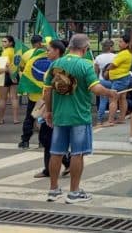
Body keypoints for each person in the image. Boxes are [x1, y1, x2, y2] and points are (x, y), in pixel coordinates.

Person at [43, 33, 118, 204]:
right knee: (78, 154)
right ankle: (74, 192)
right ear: (85, 49)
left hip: (60, 115)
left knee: (56, 152)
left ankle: (53, 190)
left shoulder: (55, 64)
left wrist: (49, 111)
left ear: (69, 47)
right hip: (79, 116)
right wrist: (110, 93)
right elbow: (96, 89)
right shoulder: (85, 65)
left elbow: (47, 91)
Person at [33, 40, 71, 179]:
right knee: (47, 137)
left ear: (57, 51)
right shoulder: (53, 66)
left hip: (54, 107)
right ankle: (58, 164)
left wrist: (49, 109)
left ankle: (66, 161)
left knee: (47, 136)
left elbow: (58, 89)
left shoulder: (59, 67)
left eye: (49, 50)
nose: (46, 52)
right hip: (48, 104)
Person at [18, 35, 47, 149]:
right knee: (43, 118)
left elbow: (22, 69)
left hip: (33, 93)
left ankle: (25, 141)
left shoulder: (27, 54)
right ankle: (42, 141)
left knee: (30, 117)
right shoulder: (49, 54)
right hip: (45, 94)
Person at [102, 32, 132, 127]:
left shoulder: (123, 53)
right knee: (122, 98)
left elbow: (113, 64)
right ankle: (122, 118)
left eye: (121, 42)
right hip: (123, 78)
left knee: (113, 99)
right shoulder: (128, 53)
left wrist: (107, 70)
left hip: (119, 79)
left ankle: (110, 120)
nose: (119, 44)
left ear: (127, 44)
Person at [0, 35, 21, 125]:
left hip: (6, 75)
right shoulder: (16, 51)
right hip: (15, 74)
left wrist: (11, 76)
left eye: (5, 41)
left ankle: (0, 119)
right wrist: (14, 76)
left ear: (10, 43)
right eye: (2, 41)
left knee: (3, 99)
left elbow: (7, 65)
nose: (3, 43)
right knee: (14, 98)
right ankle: (15, 119)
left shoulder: (6, 52)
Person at [93, 38, 116, 125]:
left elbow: (96, 71)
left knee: (103, 100)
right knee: (113, 100)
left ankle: (99, 119)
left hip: (102, 80)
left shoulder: (98, 58)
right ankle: (111, 118)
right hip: (112, 81)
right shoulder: (115, 57)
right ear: (110, 47)